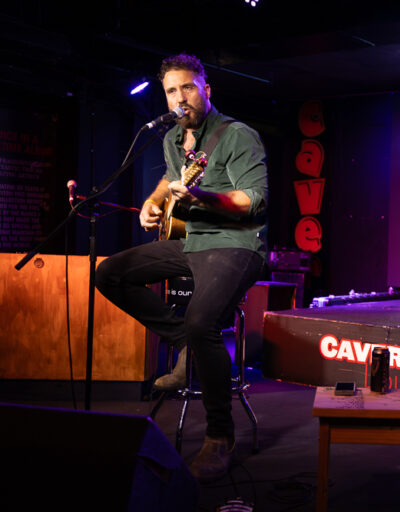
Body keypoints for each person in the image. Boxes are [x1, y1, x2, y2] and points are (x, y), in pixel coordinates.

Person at [95, 53, 268, 482]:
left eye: (187, 87)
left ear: (206, 89)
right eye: (171, 91)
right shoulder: (173, 138)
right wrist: (154, 201)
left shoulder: (237, 135)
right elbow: (170, 177)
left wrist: (202, 198)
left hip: (237, 244)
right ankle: (184, 342)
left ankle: (220, 436)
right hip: (192, 242)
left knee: (203, 321)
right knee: (109, 273)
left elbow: (254, 201)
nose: (179, 98)